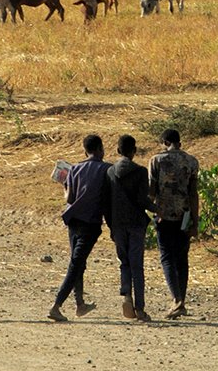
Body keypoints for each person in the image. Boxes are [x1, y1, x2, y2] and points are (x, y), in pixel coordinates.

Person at [49, 135, 109, 322]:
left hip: (73, 219)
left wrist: (64, 187)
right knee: (76, 264)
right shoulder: (106, 169)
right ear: (100, 149)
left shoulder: (74, 169)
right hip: (90, 222)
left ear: (85, 151)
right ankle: (56, 305)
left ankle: (79, 303)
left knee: (78, 261)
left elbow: (69, 198)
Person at [149, 128, 201, 318]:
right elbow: (193, 194)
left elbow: (151, 191)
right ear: (179, 142)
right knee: (182, 259)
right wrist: (195, 222)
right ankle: (181, 300)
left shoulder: (157, 160)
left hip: (163, 216)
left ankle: (176, 300)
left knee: (167, 258)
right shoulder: (191, 162)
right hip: (184, 216)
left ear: (163, 142)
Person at [106, 134, 153, 322]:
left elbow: (106, 202)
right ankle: (140, 308)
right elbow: (143, 200)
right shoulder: (141, 172)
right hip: (136, 224)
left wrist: (110, 225)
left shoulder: (109, 172)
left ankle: (126, 295)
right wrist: (158, 209)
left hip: (117, 224)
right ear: (135, 151)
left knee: (123, 262)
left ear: (118, 151)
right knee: (137, 266)